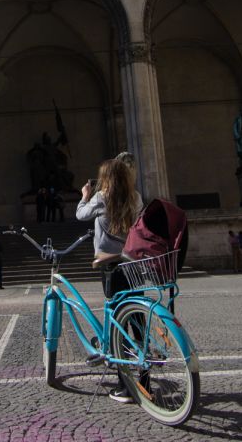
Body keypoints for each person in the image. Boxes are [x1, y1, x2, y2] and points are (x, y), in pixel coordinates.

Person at [76, 158, 144, 404]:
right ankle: (144, 380)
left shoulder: (101, 197)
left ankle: (125, 387)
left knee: (117, 324)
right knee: (137, 319)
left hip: (110, 264)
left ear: (105, 178)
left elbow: (81, 215)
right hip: (134, 263)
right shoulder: (135, 197)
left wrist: (85, 195)